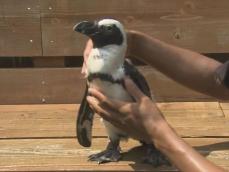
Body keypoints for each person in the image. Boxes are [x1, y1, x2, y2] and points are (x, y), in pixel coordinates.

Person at [83, 30, 228, 172]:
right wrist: (134, 43)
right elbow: (218, 81)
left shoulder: (125, 72)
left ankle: (148, 147)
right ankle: (113, 145)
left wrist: (159, 135)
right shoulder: (100, 67)